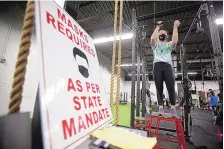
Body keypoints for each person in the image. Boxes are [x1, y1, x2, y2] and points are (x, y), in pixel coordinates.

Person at [150, 20, 181, 117]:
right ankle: (160, 109)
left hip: (167, 66)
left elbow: (175, 41)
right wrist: (158, 27)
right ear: (158, 36)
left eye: (164, 34)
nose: (162, 35)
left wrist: (175, 27)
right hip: (157, 66)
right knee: (159, 88)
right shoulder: (155, 45)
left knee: (171, 87)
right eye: (161, 34)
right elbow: (152, 39)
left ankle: (172, 109)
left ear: (167, 36)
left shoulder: (169, 45)